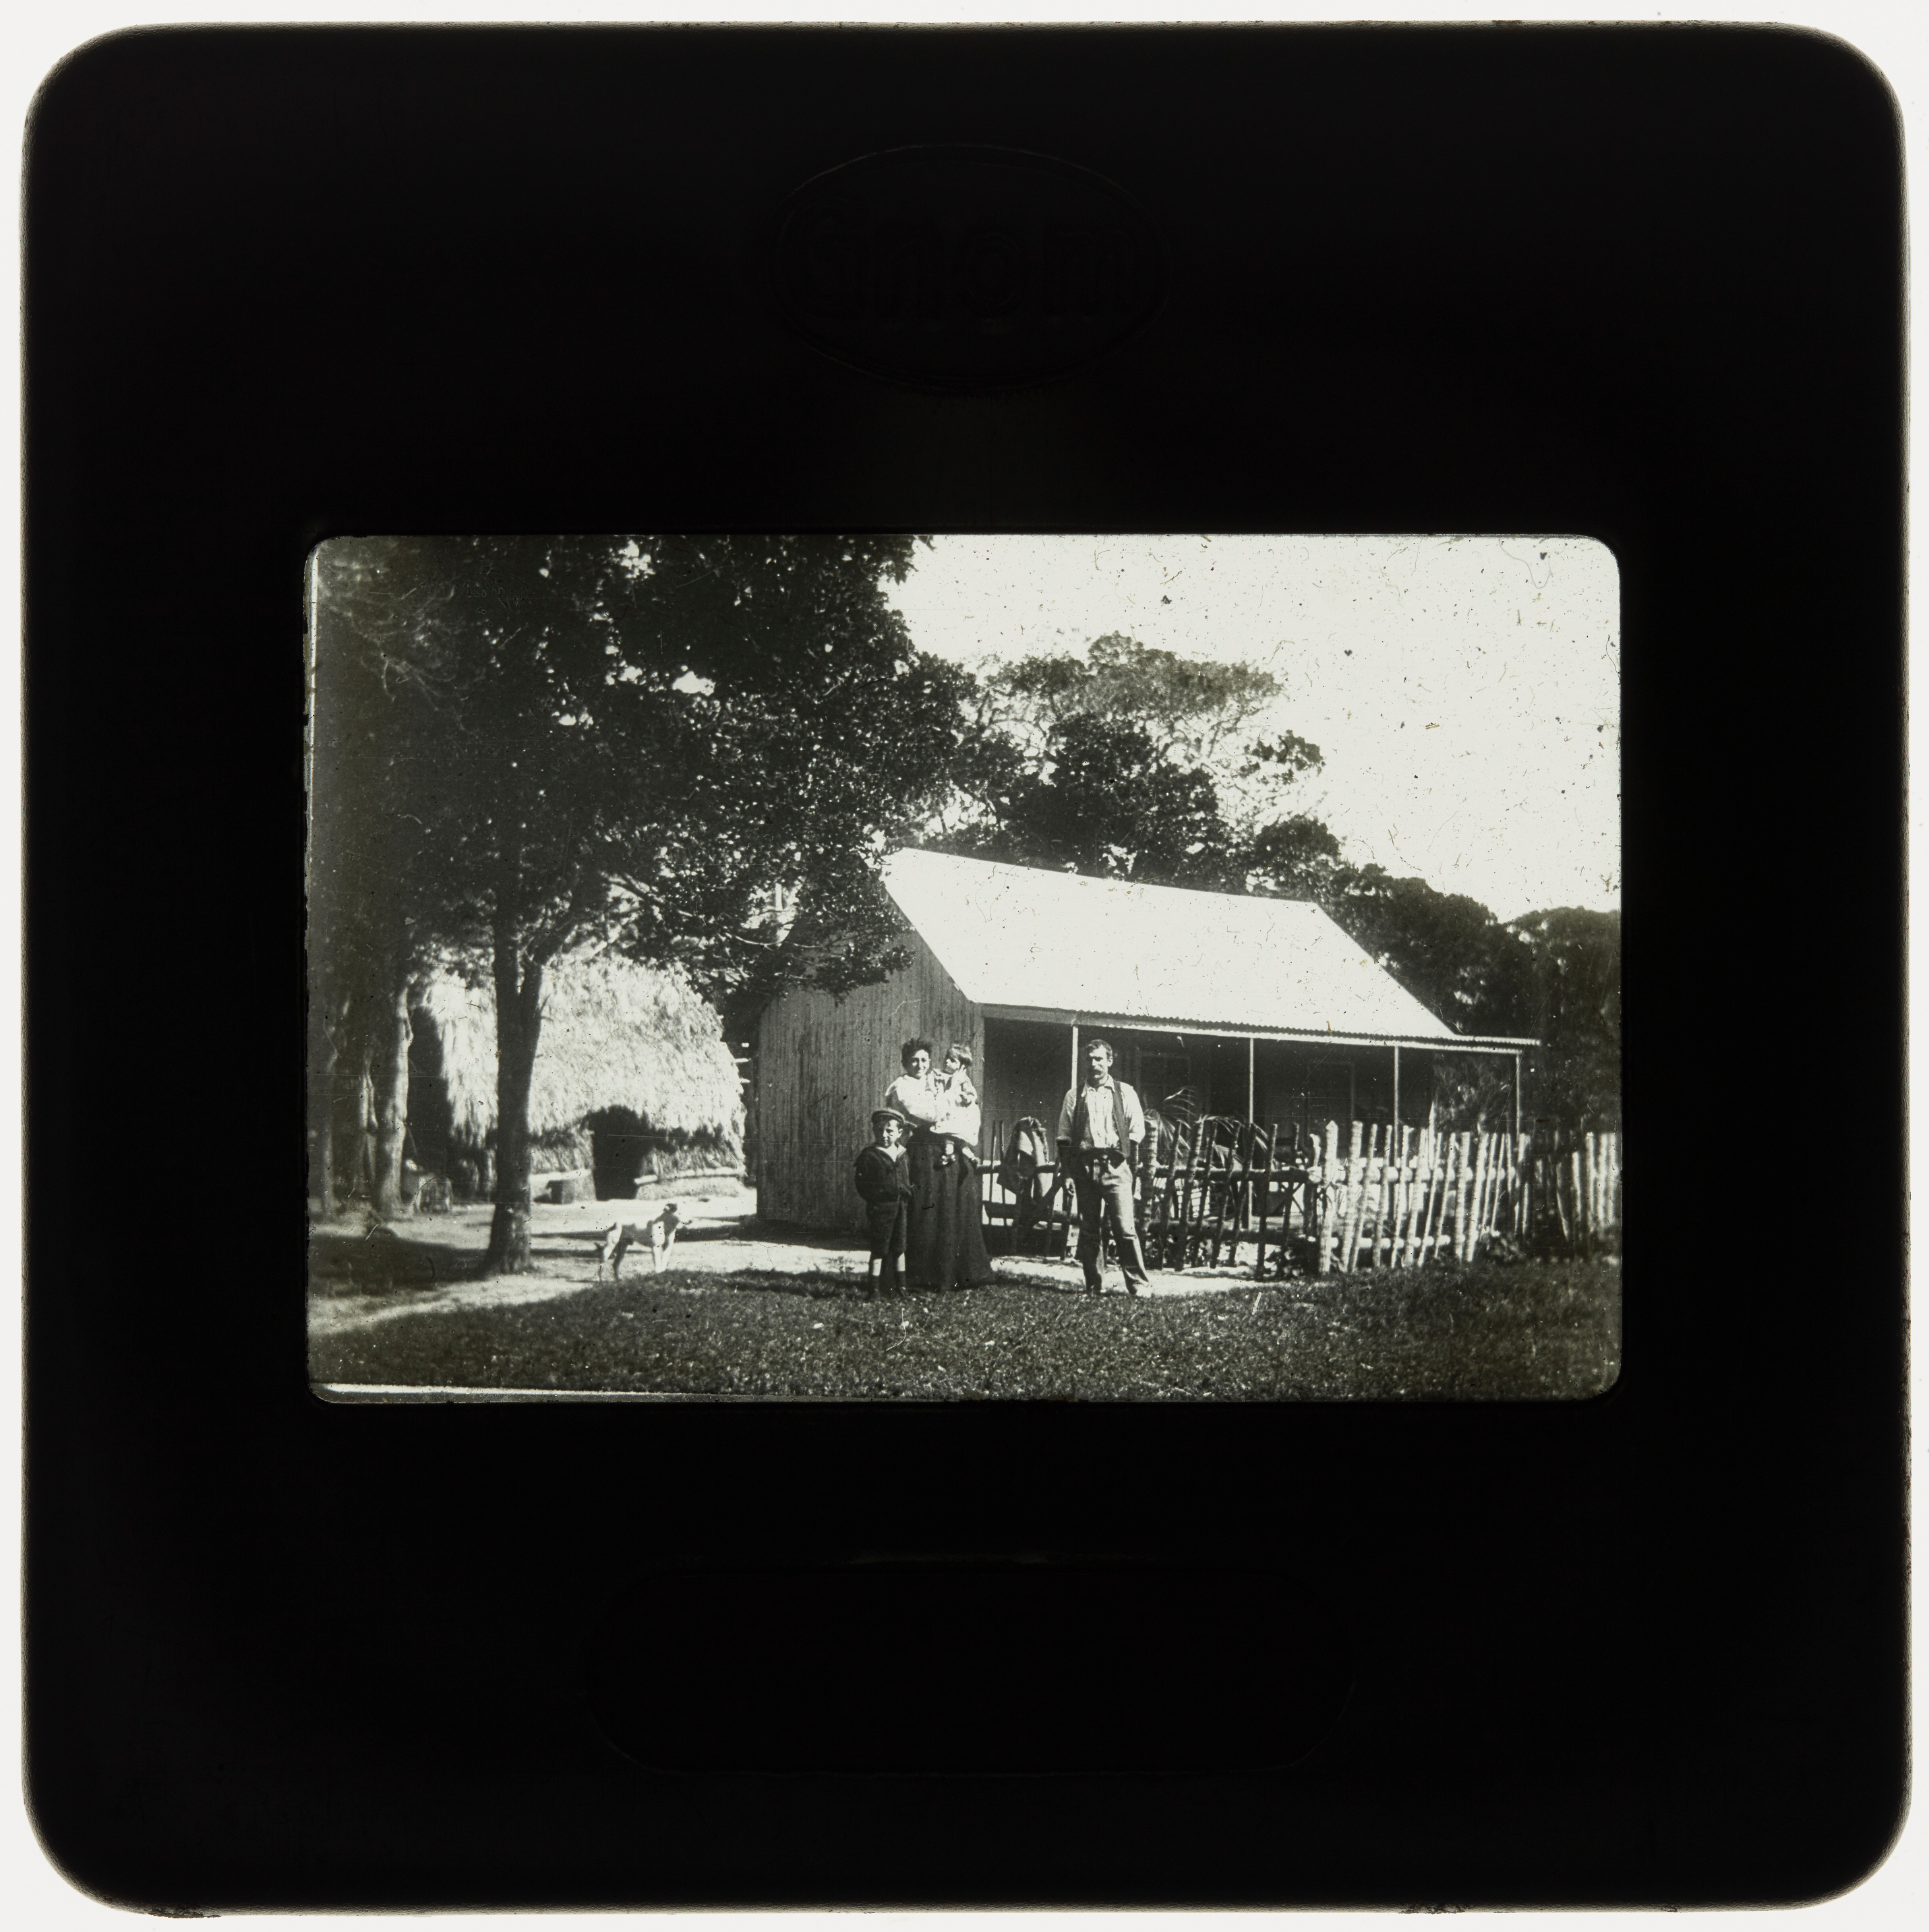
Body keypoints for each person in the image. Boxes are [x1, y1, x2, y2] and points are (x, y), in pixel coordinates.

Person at [1056, 1036, 1150, 1296]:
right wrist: (1068, 1173)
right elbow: (1063, 1137)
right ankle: (1094, 1285)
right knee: (1089, 1230)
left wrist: (1121, 1157)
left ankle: (1139, 1285)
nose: (1094, 1064)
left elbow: (1136, 1129)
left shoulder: (1124, 1092)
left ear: (1109, 1061)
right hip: (1085, 1168)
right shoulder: (1075, 1096)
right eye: (1090, 1059)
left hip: (1116, 1167)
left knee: (1124, 1228)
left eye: (1099, 1059)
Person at [852, 1109, 914, 1296]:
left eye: (889, 1131)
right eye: (879, 1131)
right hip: (881, 1209)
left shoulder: (903, 1154)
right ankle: (874, 1289)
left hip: (901, 1207)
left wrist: (908, 1192)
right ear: (874, 1131)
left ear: (899, 1133)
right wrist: (876, 1200)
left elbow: (907, 1177)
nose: (884, 1135)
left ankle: (901, 1287)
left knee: (900, 1247)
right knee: (879, 1248)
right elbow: (861, 1184)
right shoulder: (870, 1155)